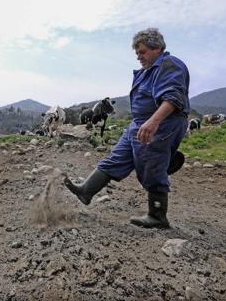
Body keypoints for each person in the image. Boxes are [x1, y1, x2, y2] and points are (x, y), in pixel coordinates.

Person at [64, 28, 190, 229]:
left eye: (142, 52)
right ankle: (86, 191)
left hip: (160, 123)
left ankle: (157, 215)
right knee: (117, 157)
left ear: (156, 47)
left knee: (152, 165)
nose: (139, 57)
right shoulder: (147, 71)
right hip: (139, 123)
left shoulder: (169, 65)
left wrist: (154, 121)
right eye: (137, 53)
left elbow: (173, 97)